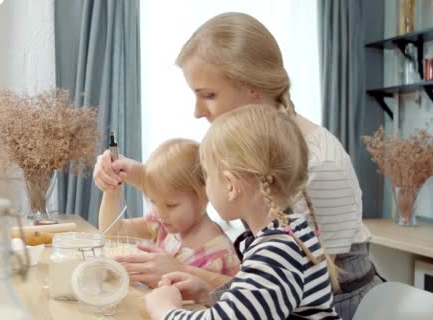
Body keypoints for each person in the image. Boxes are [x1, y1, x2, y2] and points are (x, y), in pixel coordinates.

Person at [93, 12, 380, 319]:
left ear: (252, 87)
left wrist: (172, 297)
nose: (196, 112)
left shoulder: (322, 168)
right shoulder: (261, 153)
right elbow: (263, 291)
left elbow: (285, 290)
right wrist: (134, 174)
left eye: (209, 95)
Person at [144, 105, 341, 320]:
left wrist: (164, 310)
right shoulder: (291, 231)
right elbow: (261, 305)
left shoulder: (276, 250)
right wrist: (211, 294)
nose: (205, 185)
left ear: (230, 185)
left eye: (207, 175)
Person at [98, 138, 239, 287]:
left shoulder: (221, 256)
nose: (160, 213)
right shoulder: (163, 225)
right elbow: (112, 232)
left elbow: (235, 301)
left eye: (171, 205)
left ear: (204, 195)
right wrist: (112, 188)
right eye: (154, 202)